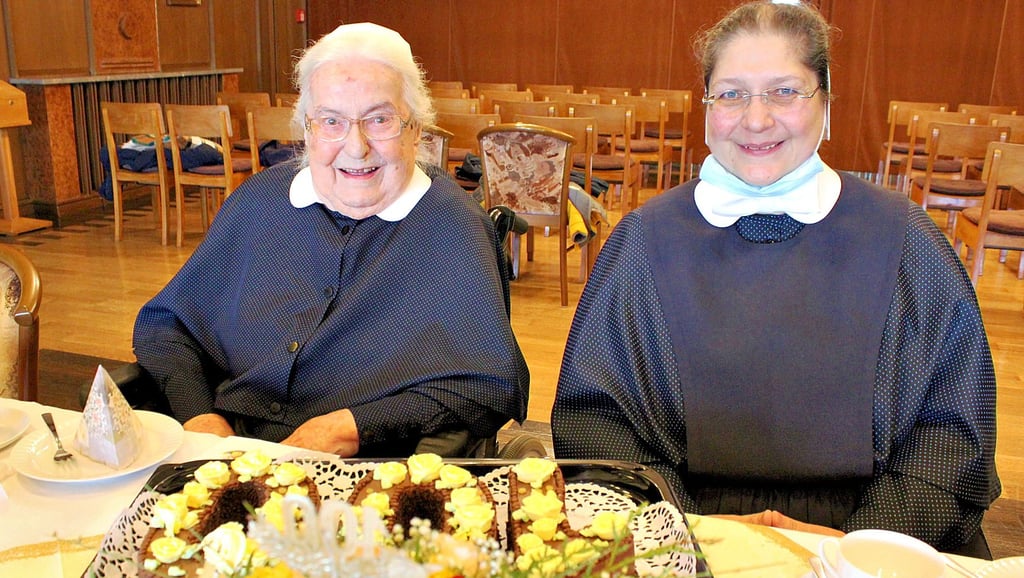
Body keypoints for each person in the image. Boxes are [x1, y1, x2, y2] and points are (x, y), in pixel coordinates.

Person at [550, 0, 999, 557]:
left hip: (877, 539)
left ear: (826, 104)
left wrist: (856, 548)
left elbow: (953, 431)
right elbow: (595, 421)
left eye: (784, 91)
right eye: (732, 93)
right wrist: (691, 536)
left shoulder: (909, 240)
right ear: (708, 109)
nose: (756, 119)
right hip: (683, 533)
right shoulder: (643, 241)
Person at [132, 22, 529, 458]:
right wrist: (199, 417)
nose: (356, 147)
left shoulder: (451, 225)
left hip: (371, 466)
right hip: (228, 450)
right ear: (307, 130)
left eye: (380, 120)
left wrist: (354, 427)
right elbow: (167, 326)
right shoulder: (259, 201)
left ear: (416, 129)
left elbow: (489, 385)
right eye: (332, 121)